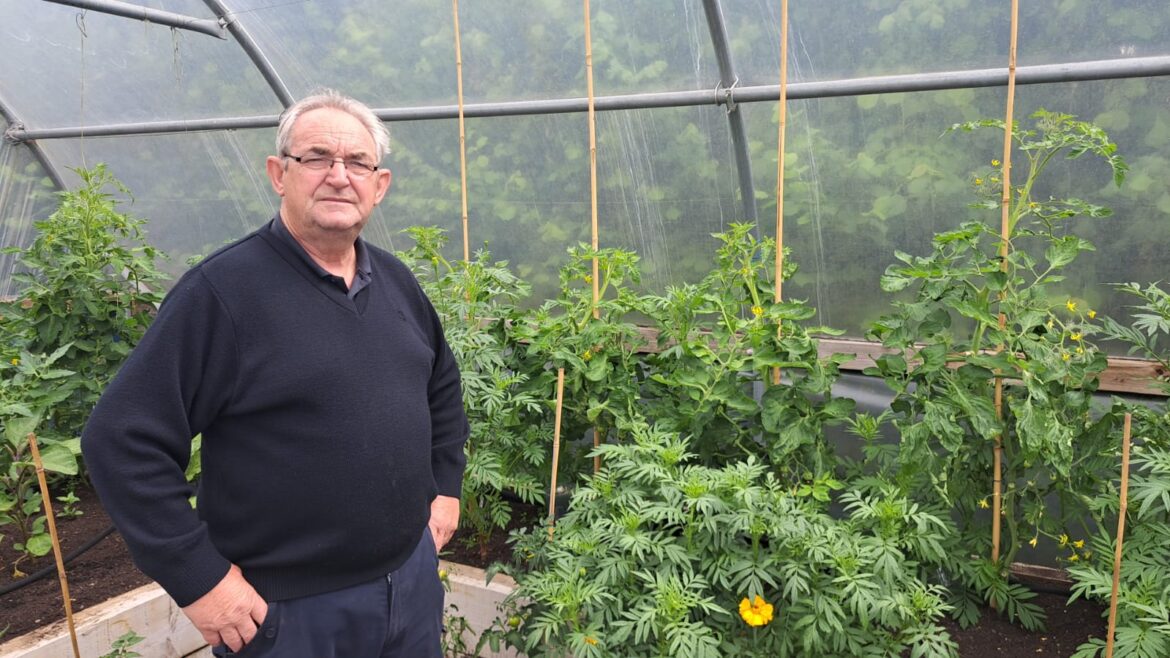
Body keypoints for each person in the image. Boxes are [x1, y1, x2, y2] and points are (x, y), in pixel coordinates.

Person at [81, 89, 470, 657]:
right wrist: (202, 581)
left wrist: (445, 487)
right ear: (279, 173)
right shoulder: (223, 293)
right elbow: (121, 440)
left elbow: (441, 386)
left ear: (379, 185)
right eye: (317, 157)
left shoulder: (396, 282)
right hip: (289, 611)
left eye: (357, 163)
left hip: (408, 585)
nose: (339, 176)